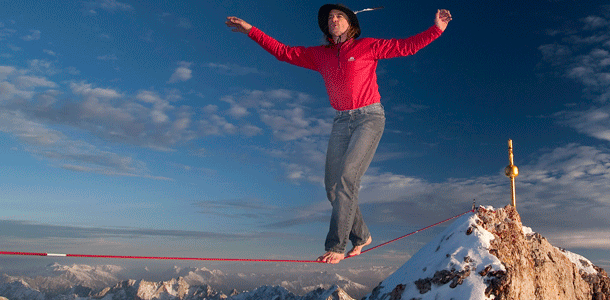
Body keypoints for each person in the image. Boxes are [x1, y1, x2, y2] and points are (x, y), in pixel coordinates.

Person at [226, 4, 451, 264]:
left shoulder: (367, 46)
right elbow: (283, 52)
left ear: (350, 24)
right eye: (330, 18)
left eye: (339, 16)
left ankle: (336, 244)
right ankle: (362, 235)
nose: (334, 19)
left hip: (369, 117)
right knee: (332, 187)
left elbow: (406, 46)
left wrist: (437, 29)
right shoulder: (320, 55)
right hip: (341, 122)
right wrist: (250, 30)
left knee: (347, 179)